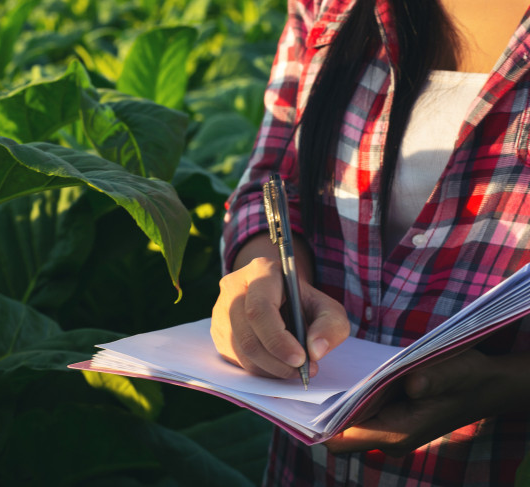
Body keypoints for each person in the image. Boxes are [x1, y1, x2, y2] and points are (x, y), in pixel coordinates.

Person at [211, 0, 530, 484]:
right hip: (305, 467)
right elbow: (274, 180)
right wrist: (264, 271)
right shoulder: (327, 7)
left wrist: (509, 385)